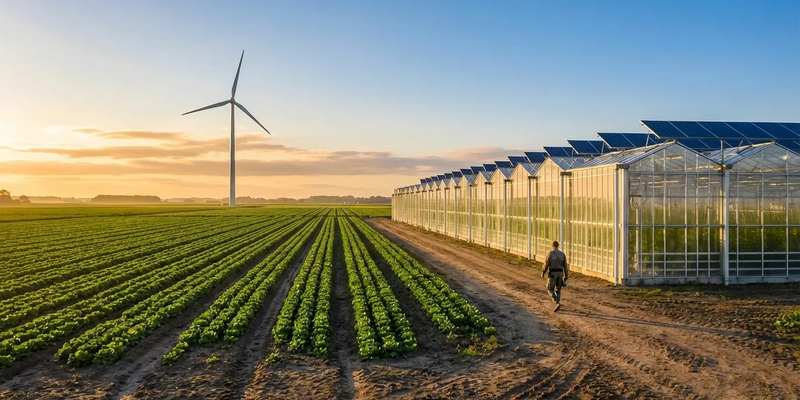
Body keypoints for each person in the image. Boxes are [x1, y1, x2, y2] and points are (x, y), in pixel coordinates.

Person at [541, 240, 568, 312]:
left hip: (553, 273)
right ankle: (558, 301)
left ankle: (556, 302)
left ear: (552, 246)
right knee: (558, 289)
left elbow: (546, 264)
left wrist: (543, 272)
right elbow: (565, 266)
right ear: (558, 246)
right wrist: (566, 276)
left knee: (550, 289)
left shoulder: (550, 254)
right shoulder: (562, 254)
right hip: (560, 273)